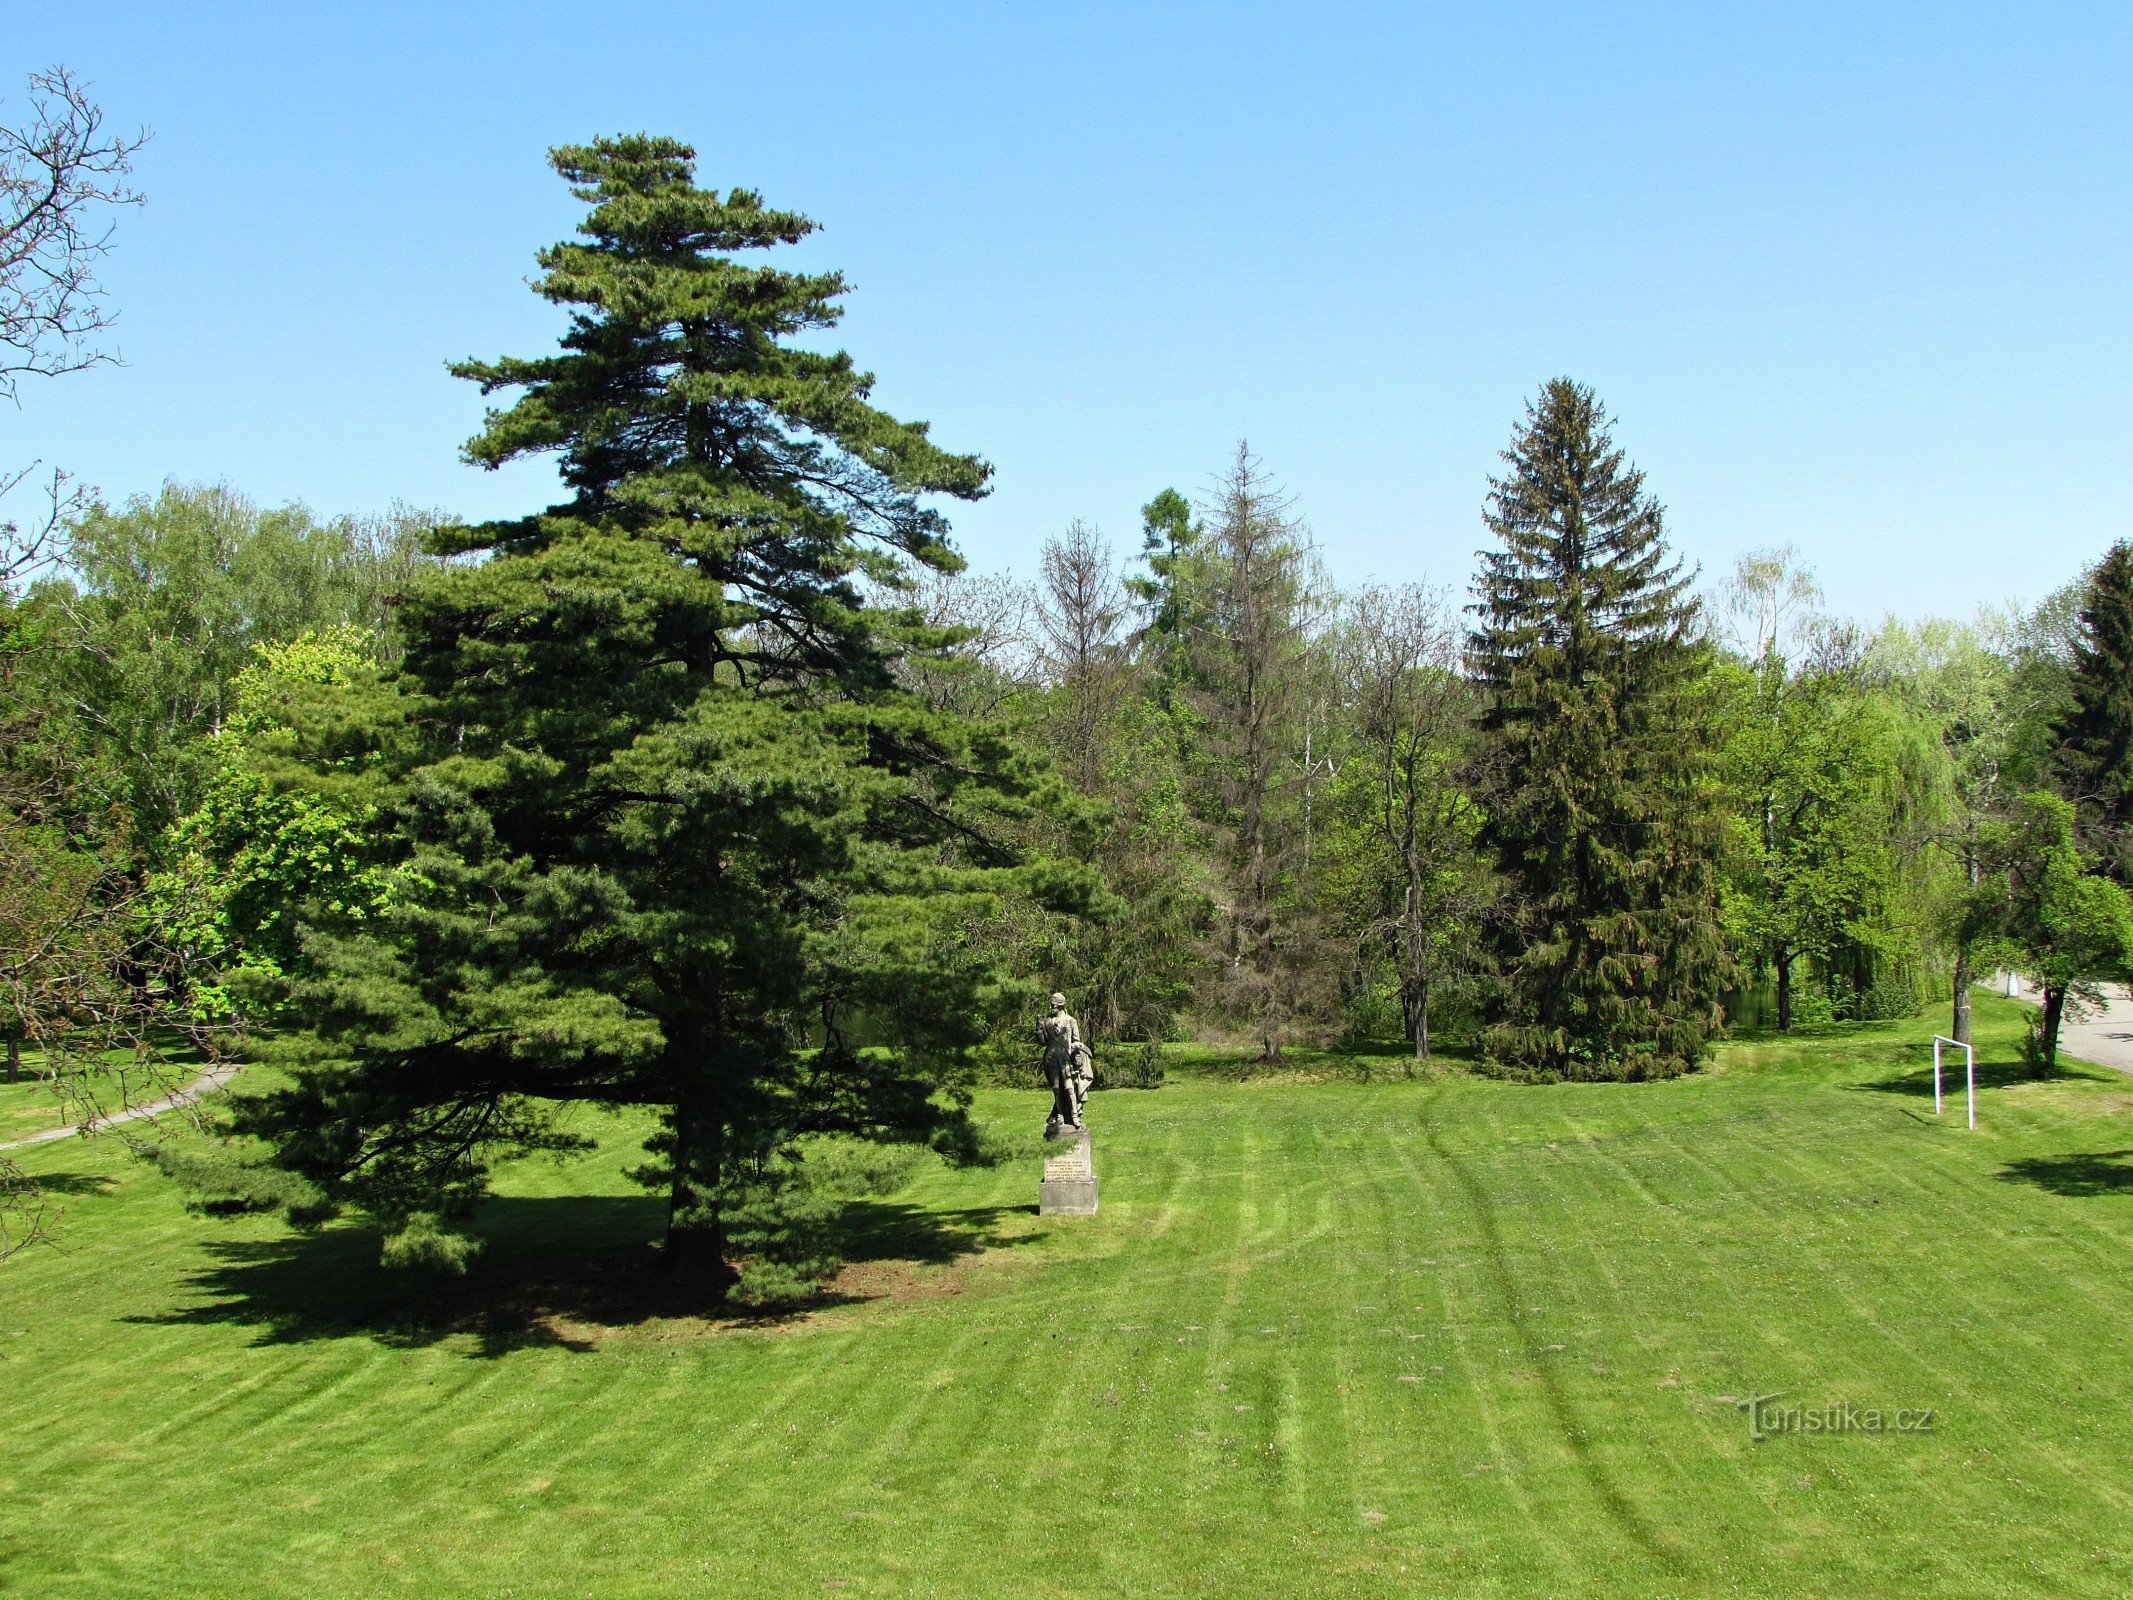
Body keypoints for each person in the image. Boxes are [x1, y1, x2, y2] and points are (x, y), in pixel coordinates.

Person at [1036, 991, 1093, 1137]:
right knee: (1056, 1088)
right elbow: (1042, 1042)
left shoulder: (1070, 1020)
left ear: (1061, 1005)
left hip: (1065, 1057)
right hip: (1050, 1058)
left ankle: (1074, 1115)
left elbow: (1076, 1041)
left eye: (1053, 1005)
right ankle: (1060, 1115)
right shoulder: (1047, 1021)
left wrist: (1078, 1056)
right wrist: (1039, 1027)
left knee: (1069, 1087)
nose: (1051, 1007)